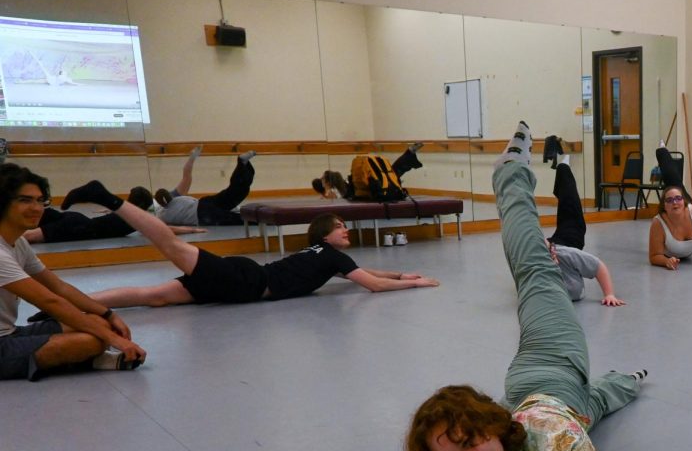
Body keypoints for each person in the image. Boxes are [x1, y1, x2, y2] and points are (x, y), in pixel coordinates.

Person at [232, 122, 668, 451]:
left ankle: (511, 172)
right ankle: (631, 379)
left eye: (468, 445)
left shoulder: (554, 445)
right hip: (561, 403)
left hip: (547, 361)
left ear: (494, 430)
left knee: (533, 267)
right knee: (594, 402)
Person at [51, 180, 439, 309]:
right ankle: (108, 198)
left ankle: (72, 304)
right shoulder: (333, 255)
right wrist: (413, 284)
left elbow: (366, 274)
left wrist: (401, 270)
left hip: (239, 282)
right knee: (168, 245)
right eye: (339, 228)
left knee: (151, 296)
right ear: (324, 235)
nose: (345, 232)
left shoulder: (326, 256)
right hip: (243, 282)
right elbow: (371, 284)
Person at [0, 164, 146, 380]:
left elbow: (59, 287)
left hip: (9, 333)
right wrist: (116, 341)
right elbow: (50, 302)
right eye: (25, 200)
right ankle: (84, 358)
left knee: (100, 324)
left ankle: (83, 357)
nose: (36, 208)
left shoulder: (18, 242)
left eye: (40, 200)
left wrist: (108, 314)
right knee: (92, 340)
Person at [24, 184, 204, 244]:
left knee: (31, 220)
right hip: (79, 228)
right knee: (28, 236)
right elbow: (164, 228)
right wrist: (191, 230)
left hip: (77, 220)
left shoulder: (123, 213)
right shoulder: (135, 219)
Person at [152, 147, 257, 226]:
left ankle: (263, 221)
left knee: (235, 219)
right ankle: (242, 163)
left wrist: (189, 231)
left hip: (203, 214)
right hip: (204, 202)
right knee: (234, 193)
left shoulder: (161, 216)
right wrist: (192, 157)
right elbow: (186, 176)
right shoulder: (175, 196)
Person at [549, 241, 624, 306]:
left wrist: (609, 294)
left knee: (571, 230)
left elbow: (598, 266)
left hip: (565, 244)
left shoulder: (565, 254)